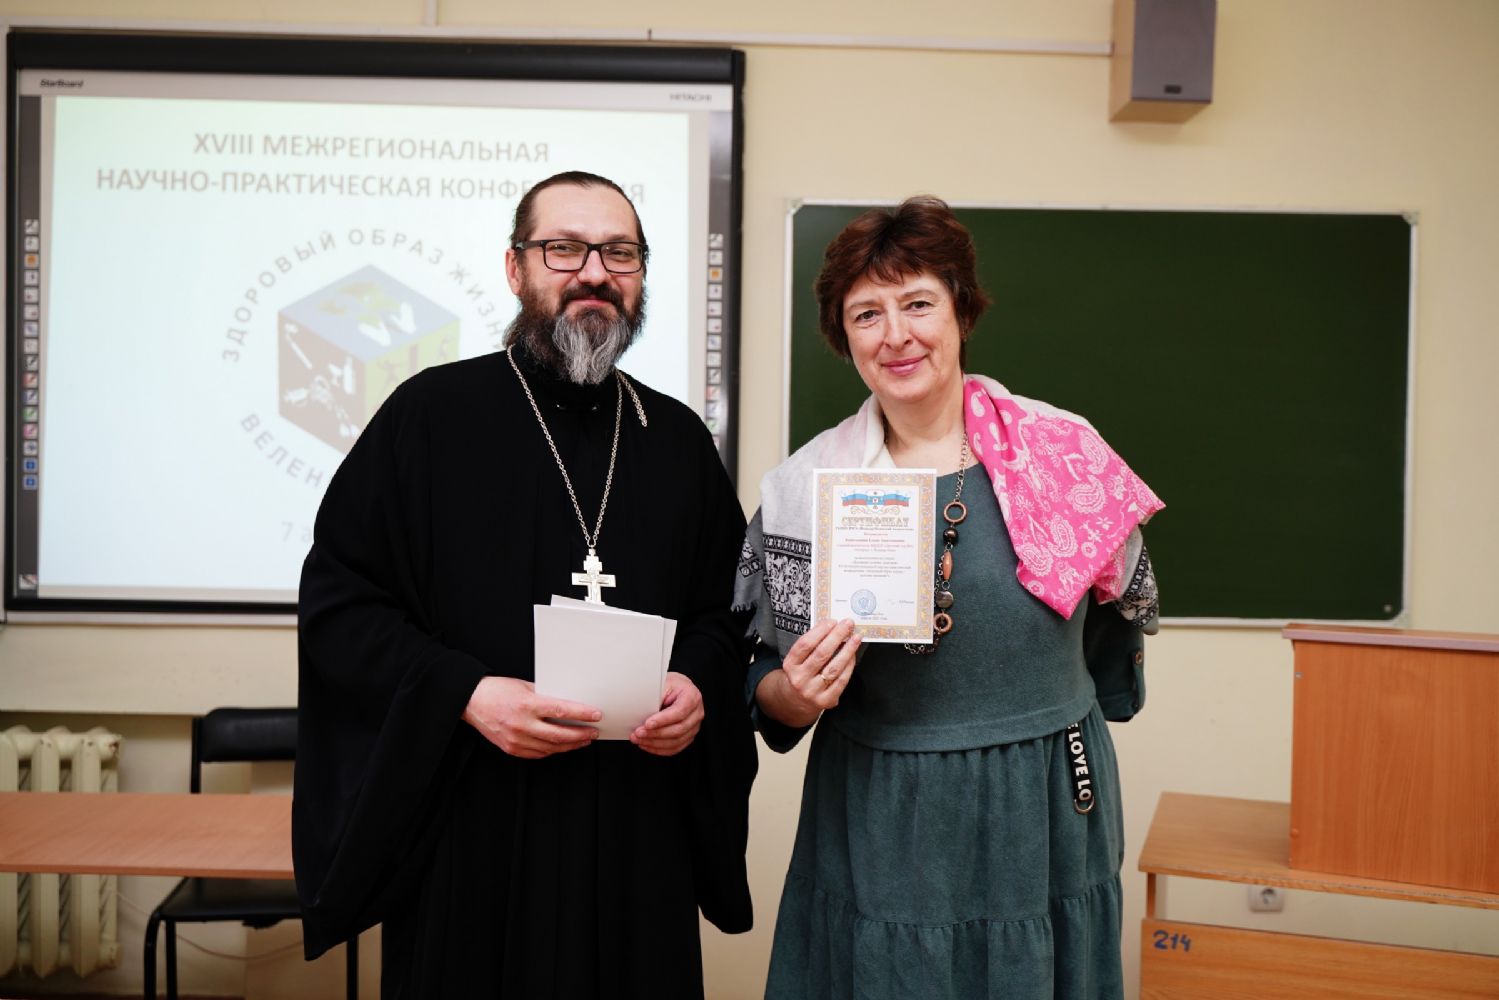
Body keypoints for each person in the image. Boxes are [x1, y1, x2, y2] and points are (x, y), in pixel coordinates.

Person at [293, 170, 757, 998]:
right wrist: (465, 692)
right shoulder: (429, 416)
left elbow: (726, 615)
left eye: (619, 253)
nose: (594, 273)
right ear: (515, 268)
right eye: (564, 249)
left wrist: (695, 681)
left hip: (636, 829)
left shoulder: (677, 440)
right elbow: (342, 605)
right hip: (471, 826)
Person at [733, 196, 1163, 999]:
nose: (895, 334)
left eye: (917, 303)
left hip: (1045, 802)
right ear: (844, 339)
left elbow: (1111, 639)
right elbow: (757, 679)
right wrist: (793, 694)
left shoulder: (1063, 454)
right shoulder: (804, 490)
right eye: (866, 314)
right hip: (883, 812)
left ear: (960, 311)